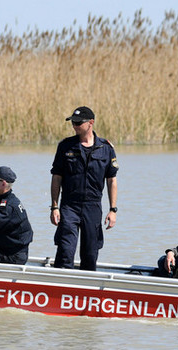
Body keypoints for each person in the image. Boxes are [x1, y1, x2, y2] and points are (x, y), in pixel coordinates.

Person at [50, 106, 118, 271]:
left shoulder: (106, 148)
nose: (75, 126)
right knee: (66, 250)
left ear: (91, 123)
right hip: (69, 205)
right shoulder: (66, 146)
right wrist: (54, 207)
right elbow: (56, 178)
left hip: (93, 206)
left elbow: (111, 180)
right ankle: (60, 289)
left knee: (90, 254)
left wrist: (113, 209)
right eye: (73, 122)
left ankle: (86, 293)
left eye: (79, 123)